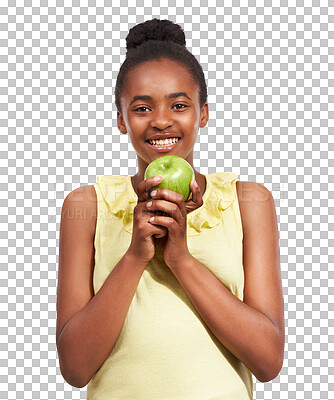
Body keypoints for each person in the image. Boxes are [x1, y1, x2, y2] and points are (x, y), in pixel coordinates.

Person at [56, 18, 285, 400]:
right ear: (121, 120)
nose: (161, 120)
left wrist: (181, 258)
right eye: (142, 107)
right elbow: (76, 369)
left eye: (179, 105)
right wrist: (135, 255)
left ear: (203, 113)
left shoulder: (248, 202)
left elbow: (268, 360)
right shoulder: (87, 205)